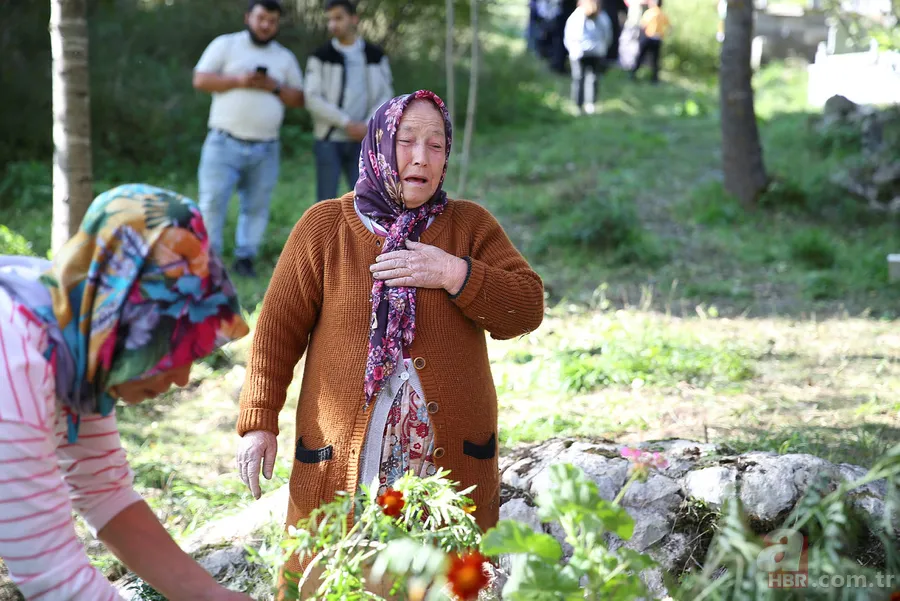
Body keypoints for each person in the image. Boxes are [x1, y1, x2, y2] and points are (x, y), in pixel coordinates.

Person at [234, 90, 544, 595]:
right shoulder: (325, 227)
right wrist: (257, 423)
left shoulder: (470, 226)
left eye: (436, 145)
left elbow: (526, 308)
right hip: (344, 465)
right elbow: (275, 332)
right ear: (380, 143)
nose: (421, 157)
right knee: (329, 581)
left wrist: (453, 272)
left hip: (446, 470)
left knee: (442, 586)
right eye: (406, 142)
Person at [0, 184, 251, 600]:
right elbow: (54, 577)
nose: (184, 377)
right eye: (174, 346)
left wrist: (211, 595)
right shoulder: (15, 362)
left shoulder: (81, 337)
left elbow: (103, 490)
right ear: (128, 328)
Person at [193, 0, 304, 279]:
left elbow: (299, 98)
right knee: (212, 203)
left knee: (256, 206)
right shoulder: (226, 45)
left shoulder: (285, 57)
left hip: (266, 146)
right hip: (223, 141)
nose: (266, 25)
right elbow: (201, 80)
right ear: (248, 17)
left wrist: (274, 87)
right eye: (261, 18)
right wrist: (239, 80)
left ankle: (246, 258)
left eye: (272, 20)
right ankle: (209, 262)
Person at [305, 0, 394, 202]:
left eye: (338, 18)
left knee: (367, 200)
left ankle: (363, 235)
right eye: (329, 20)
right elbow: (312, 98)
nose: (333, 24)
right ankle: (325, 235)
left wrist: (367, 125)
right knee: (325, 203)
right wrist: (346, 123)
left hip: (364, 140)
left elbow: (386, 95)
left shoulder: (375, 56)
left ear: (354, 19)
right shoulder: (321, 56)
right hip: (329, 139)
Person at [564, 0, 614, 114]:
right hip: (596, 51)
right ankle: (590, 104)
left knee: (578, 78)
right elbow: (607, 35)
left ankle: (578, 105)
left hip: (579, 52)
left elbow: (568, 34)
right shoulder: (602, 16)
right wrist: (603, 47)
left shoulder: (576, 16)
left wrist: (572, 48)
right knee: (593, 78)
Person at [630, 0, 671, 83]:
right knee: (655, 60)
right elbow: (670, 27)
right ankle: (654, 78)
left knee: (640, 57)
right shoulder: (663, 14)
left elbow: (643, 25)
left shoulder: (649, 13)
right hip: (658, 38)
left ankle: (633, 74)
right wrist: (664, 35)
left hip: (648, 37)